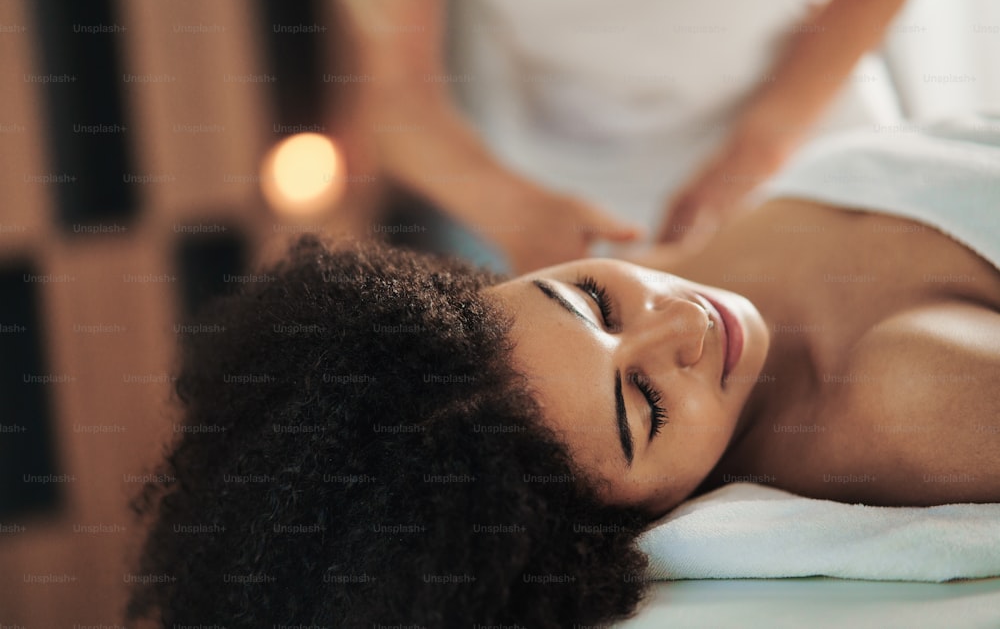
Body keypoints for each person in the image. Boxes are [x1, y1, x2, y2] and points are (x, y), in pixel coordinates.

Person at [127, 120, 999, 626]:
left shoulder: (672, 251)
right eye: (648, 406)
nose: (681, 326)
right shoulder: (909, 401)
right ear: (621, 529)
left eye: (593, 303)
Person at [327, 0, 926, 272]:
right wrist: (516, 213)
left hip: (804, 131)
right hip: (556, 191)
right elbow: (396, 106)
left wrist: (756, 151)